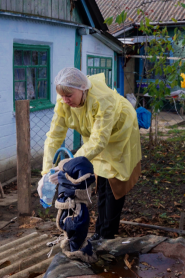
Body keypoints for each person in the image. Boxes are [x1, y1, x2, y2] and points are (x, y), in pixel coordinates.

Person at [38, 67, 141, 241]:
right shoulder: (64, 101)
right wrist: (46, 173)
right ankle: (99, 230)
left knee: (114, 182)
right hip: (97, 136)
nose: (65, 100)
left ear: (82, 89)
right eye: (62, 96)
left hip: (121, 132)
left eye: (69, 96)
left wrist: (65, 166)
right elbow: (54, 136)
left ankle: (107, 233)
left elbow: (99, 141)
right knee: (101, 178)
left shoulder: (102, 100)